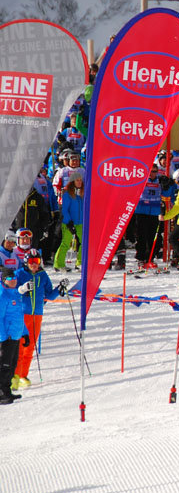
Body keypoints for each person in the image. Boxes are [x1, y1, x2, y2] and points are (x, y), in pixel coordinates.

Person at [12, 249, 67, 389]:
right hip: (22, 314)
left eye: (36, 261)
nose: (34, 265)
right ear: (26, 261)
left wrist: (60, 288)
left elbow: (49, 295)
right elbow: (11, 291)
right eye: (31, 261)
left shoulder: (43, 275)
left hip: (37, 314)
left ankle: (23, 375)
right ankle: (15, 376)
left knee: (30, 347)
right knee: (20, 346)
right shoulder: (19, 274)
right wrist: (22, 289)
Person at [0, 267, 29, 404]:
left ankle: (7, 391)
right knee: (4, 366)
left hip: (16, 335)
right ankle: (2, 393)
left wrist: (25, 333)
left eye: (14, 278)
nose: (13, 281)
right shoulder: (3, 295)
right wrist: (3, 337)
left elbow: (19, 316)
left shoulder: (16, 295)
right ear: (4, 280)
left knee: (12, 365)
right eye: (9, 279)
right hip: (7, 337)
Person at [134, 163, 163, 269]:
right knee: (141, 236)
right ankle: (141, 258)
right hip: (142, 210)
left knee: (153, 236)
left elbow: (167, 194)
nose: (152, 174)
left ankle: (150, 258)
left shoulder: (160, 181)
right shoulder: (142, 180)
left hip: (154, 212)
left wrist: (168, 185)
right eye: (150, 172)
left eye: (154, 172)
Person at [54, 172, 83, 273]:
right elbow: (65, 210)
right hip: (69, 222)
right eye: (77, 180)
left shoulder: (83, 193)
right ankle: (58, 264)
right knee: (66, 243)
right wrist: (69, 222)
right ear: (72, 181)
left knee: (84, 242)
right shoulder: (67, 194)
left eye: (80, 180)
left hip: (80, 223)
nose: (79, 182)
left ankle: (80, 263)